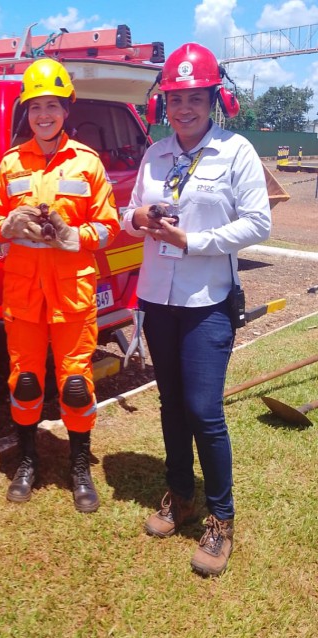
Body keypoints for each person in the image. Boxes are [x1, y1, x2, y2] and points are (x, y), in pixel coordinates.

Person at [122, 42, 270, 577]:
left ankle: (221, 518)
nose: (184, 108)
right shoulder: (155, 155)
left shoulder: (237, 152)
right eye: (175, 99)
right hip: (158, 298)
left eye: (194, 98)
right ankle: (180, 494)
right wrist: (135, 215)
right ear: (165, 103)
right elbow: (127, 216)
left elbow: (258, 224)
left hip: (208, 301)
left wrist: (193, 240)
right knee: (170, 404)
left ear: (213, 99)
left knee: (205, 411)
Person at [0, 58, 119, 514]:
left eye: (53, 106)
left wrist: (72, 236)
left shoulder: (87, 164)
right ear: (27, 112)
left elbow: (108, 227)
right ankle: (27, 462)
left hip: (72, 292)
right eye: (36, 106)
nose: (44, 114)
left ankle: (79, 467)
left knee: (77, 384)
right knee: (24, 382)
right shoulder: (9, 164)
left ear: (66, 110)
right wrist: (8, 226)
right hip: (23, 293)